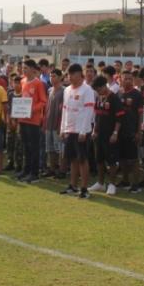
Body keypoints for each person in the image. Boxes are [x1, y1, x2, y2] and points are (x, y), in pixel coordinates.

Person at [59, 63, 95, 198]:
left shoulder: (87, 90)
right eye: (68, 75)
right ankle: (72, 186)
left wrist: (83, 131)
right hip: (70, 130)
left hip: (82, 131)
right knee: (72, 159)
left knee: (82, 159)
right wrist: (63, 128)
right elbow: (65, 110)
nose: (69, 77)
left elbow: (89, 111)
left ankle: (84, 188)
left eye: (71, 74)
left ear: (79, 74)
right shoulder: (66, 90)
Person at [88, 76, 123, 195]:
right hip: (99, 134)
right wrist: (94, 130)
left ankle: (112, 184)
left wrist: (115, 133)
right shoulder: (99, 97)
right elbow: (97, 116)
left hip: (110, 134)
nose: (97, 92)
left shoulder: (114, 98)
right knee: (99, 159)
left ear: (104, 86)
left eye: (99, 89)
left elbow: (119, 118)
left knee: (111, 160)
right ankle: (100, 183)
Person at [17, 59, 48, 183]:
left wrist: (32, 110)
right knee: (25, 146)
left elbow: (43, 101)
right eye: (23, 68)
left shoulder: (38, 83)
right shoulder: (23, 81)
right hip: (23, 119)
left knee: (34, 147)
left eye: (26, 68)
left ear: (32, 69)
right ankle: (26, 170)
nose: (23, 70)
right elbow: (22, 98)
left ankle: (34, 173)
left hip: (34, 120)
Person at [116, 69, 144, 192]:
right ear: (120, 79)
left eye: (130, 79)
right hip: (120, 131)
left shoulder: (137, 94)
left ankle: (135, 184)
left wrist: (139, 131)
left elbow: (141, 115)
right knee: (122, 158)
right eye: (125, 78)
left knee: (133, 159)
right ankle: (125, 180)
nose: (127, 81)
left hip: (132, 131)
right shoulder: (118, 93)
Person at [42, 69, 65, 178]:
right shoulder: (50, 90)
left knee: (59, 149)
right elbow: (47, 108)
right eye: (51, 76)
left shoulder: (64, 91)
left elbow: (64, 110)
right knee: (50, 148)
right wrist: (44, 122)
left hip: (58, 125)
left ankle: (61, 170)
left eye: (54, 76)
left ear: (60, 77)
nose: (52, 78)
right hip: (49, 124)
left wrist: (61, 125)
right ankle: (52, 169)